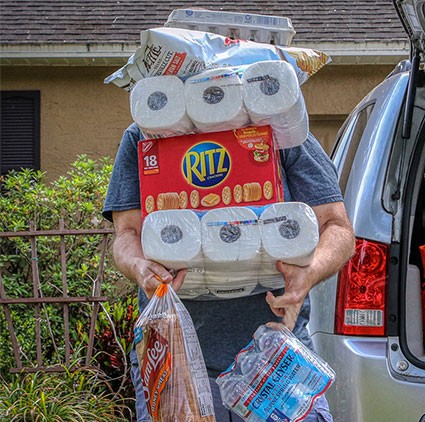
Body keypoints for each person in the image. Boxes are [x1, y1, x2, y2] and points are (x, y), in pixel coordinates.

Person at [103, 122, 355, 421]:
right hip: (174, 360)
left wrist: (309, 273)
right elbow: (127, 233)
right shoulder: (145, 134)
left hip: (277, 359)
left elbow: (337, 228)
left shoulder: (277, 121)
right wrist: (139, 266)